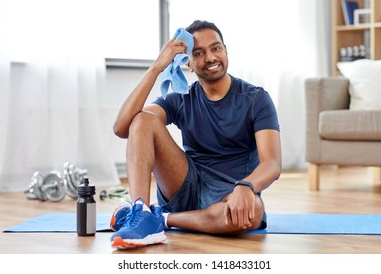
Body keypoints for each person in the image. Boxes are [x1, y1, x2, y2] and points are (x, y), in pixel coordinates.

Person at [110, 20, 282, 249]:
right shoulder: (182, 98)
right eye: (198, 53)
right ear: (188, 63)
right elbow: (122, 128)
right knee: (143, 119)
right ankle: (140, 211)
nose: (210, 57)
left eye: (216, 48)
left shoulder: (256, 99)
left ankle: (159, 218)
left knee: (254, 212)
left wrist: (246, 186)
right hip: (185, 186)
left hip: (229, 192)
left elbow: (272, 163)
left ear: (226, 50)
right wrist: (156, 67)